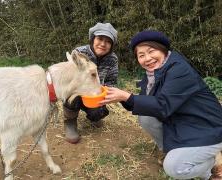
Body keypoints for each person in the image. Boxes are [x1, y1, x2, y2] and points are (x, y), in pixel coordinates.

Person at [99, 30, 222, 179]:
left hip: (208, 127)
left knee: (174, 168)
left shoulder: (178, 69)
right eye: (141, 55)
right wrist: (122, 98)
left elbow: (163, 106)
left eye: (151, 51)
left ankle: (212, 162)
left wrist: (126, 96)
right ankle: (181, 155)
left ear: (163, 50)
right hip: (184, 122)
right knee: (146, 116)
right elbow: (146, 103)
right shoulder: (153, 74)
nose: (147, 58)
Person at [63, 22, 118, 144]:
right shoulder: (79, 53)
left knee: (98, 113)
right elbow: (67, 78)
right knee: (71, 94)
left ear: (112, 45)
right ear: (93, 39)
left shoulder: (112, 59)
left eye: (108, 41)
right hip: (77, 92)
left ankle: (94, 116)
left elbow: (112, 81)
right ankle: (70, 122)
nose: (103, 44)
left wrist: (105, 92)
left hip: (95, 94)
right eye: (100, 39)